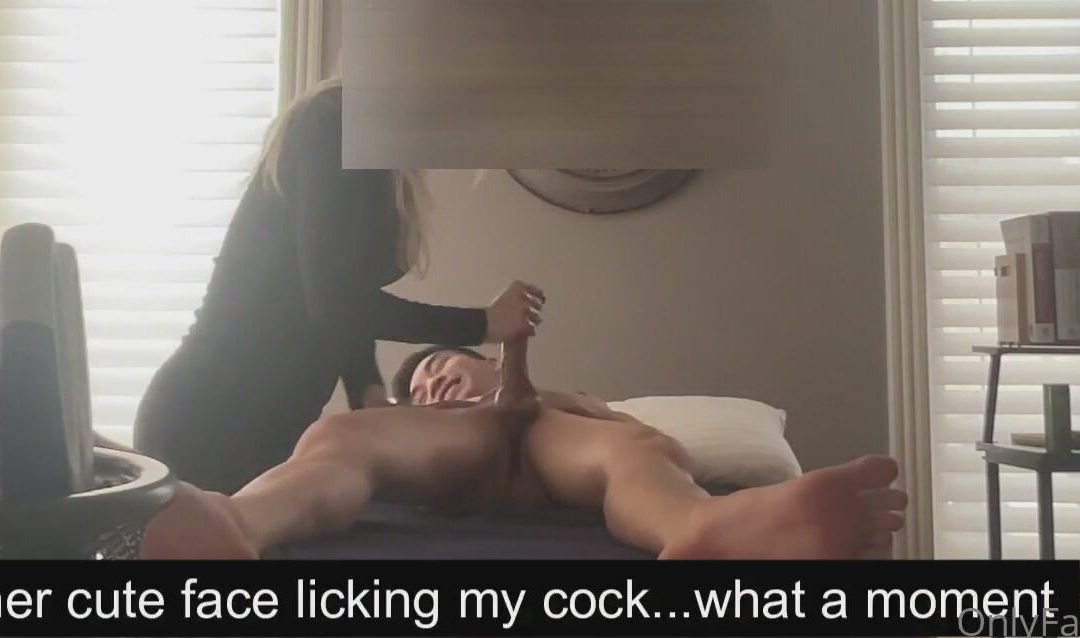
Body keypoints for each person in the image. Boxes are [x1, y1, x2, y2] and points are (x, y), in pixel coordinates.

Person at [142, 334, 907, 562]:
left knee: (634, 453)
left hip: (553, 449)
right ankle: (236, 522)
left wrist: (532, 382)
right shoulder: (427, 419)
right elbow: (377, 434)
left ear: (482, 360)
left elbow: (626, 433)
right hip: (455, 455)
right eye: (420, 385)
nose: (433, 381)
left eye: (444, 366)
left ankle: (699, 527)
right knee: (338, 443)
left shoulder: (558, 401)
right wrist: (429, 408)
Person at [133, 79, 545, 494]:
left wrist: (366, 388)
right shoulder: (335, 120)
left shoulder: (374, 151)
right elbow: (336, 302)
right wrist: (481, 324)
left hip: (263, 427)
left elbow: (340, 292)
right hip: (212, 419)